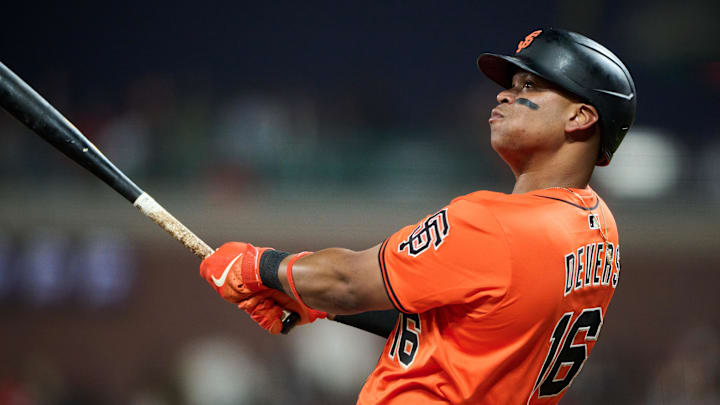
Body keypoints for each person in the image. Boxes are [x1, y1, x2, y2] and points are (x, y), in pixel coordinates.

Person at [198, 28, 636, 404]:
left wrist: (261, 267)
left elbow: (347, 281)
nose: (505, 94)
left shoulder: (493, 222)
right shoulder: (599, 228)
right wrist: (318, 305)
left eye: (529, 87)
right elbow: (475, 323)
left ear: (580, 117)